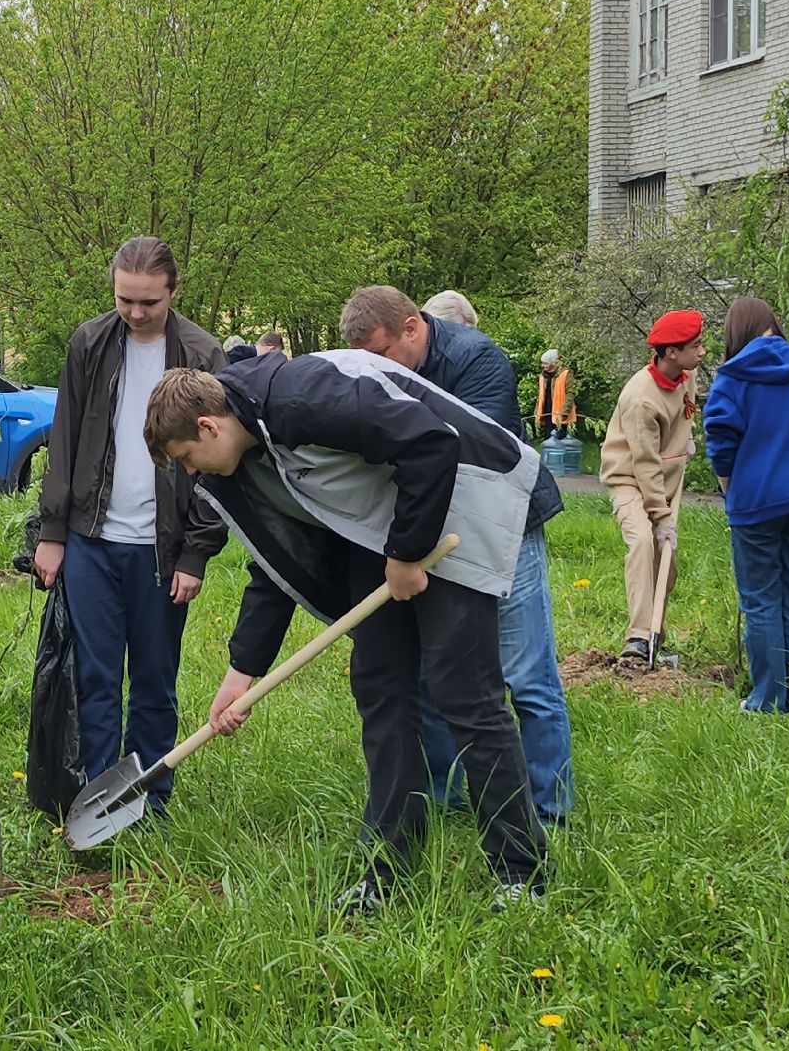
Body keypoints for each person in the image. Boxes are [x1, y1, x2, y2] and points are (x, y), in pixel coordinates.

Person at [145, 352, 548, 912]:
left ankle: (521, 873)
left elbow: (432, 440)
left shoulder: (304, 396)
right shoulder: (246, 455)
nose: (191, 473)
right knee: (382, 691)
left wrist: (406, 554)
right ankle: (388, 872)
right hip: (381, 531)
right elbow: (274, 563)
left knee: (465, 694)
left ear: (208, 426)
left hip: (460, 503)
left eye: (187, 457)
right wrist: (241, 673)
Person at [341, 286, 571, 826]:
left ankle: (547, 811)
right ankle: (443, 803)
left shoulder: (477, 358)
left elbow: (473, 453)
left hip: (506, 526)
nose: (375, 369)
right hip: (433, 533)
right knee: (436, 674)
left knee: (527, 675)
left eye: (382, 354)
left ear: (411, 328)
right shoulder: (376, 366)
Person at [33, 236, 227, 814]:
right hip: (91, 543)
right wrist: (52, 534)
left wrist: (195, 553)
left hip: (161, 554)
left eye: (149, 302)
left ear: (174, 291)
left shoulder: (203, 353)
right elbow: (64, 438)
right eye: (125, 300)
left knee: (153, 681)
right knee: (94, 678)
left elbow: (219, 467)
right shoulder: (89, 343)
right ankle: (97, 801)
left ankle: (149, 802)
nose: (136, 312)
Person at [703, 297, 789, 714]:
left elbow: (721, 443)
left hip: (757, 501)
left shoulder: (732, 376)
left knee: (760, 600)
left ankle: (768, 700)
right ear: (773, 323)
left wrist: (730, 489)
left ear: (735, 331)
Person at [601, 311, 703, 659]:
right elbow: (644, 463)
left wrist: (687, 441)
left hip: (664, 477)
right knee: (643, 541)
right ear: (671, 352)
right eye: (695, 346)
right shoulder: (641, 398)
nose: (702, 352)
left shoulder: (688, 375)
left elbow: (685, 413)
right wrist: (661, 517)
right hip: (629, 478)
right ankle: (638, 637)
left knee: (667, 560)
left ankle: (656, 633)